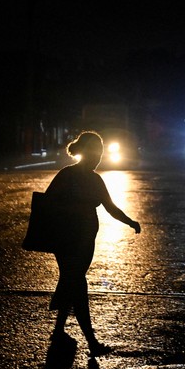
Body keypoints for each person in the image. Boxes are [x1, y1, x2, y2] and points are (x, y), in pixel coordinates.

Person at [45, 131, 141, 357]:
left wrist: (130, 222)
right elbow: (110, 208)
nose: (99, 157)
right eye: (96, 152)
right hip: (73, 240)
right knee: (77, 284)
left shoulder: (72, 176)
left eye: (101, 153)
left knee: (71, 280)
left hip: (77, 240)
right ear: (87, 153)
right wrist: (130, 222)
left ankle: (59, 331)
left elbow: (110, 208)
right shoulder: (82, 177)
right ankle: (91, 341)